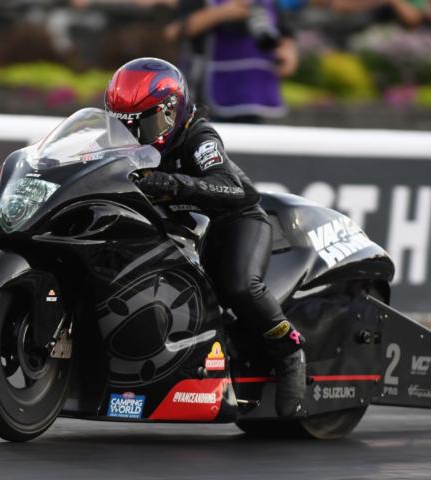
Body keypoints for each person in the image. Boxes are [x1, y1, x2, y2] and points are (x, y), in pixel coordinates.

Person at [104, 57, 306, 417]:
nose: (135, 135)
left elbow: (236, 189)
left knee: (240, 286)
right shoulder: (119, 143)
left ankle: (290, 353)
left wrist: (172, 182)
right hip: (177, 230)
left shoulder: (198, 137)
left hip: (233, 222)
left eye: (145, 123)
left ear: (171, 111)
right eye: (124, 124)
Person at [164, 0, 299, 123]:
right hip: (206, 99)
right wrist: (221, 13)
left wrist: (288, 51)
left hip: (255, 96)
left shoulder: (269, 3)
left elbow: (285, 33)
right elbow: (172, 31)